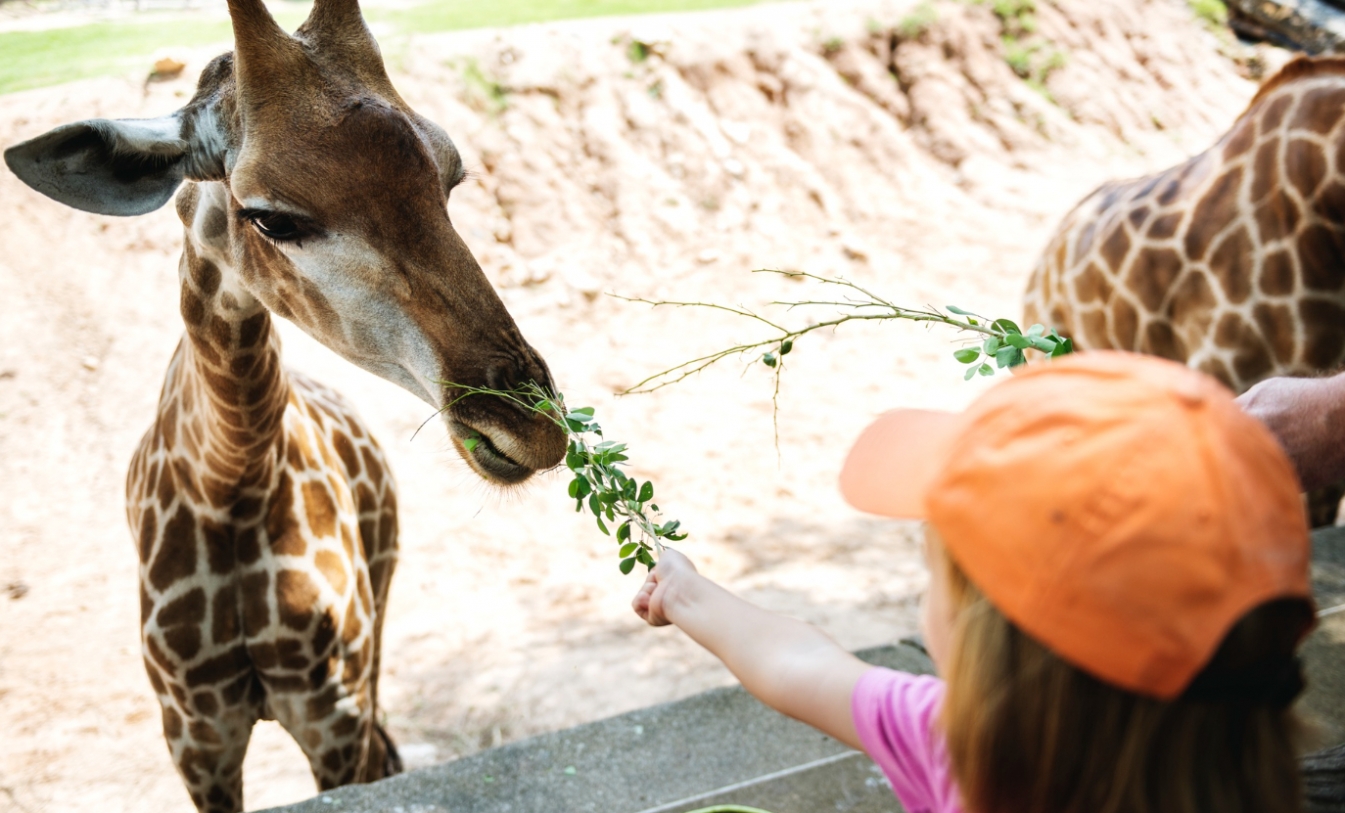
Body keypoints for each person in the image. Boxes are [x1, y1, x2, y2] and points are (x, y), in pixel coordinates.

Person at [632, 351, 1317, 813]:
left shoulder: (962, 753)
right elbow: (795, 662)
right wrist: (688, 593)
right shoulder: (1241, 756)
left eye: (934, 575)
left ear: (988, 638)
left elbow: (799, 666)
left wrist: (684, 594)